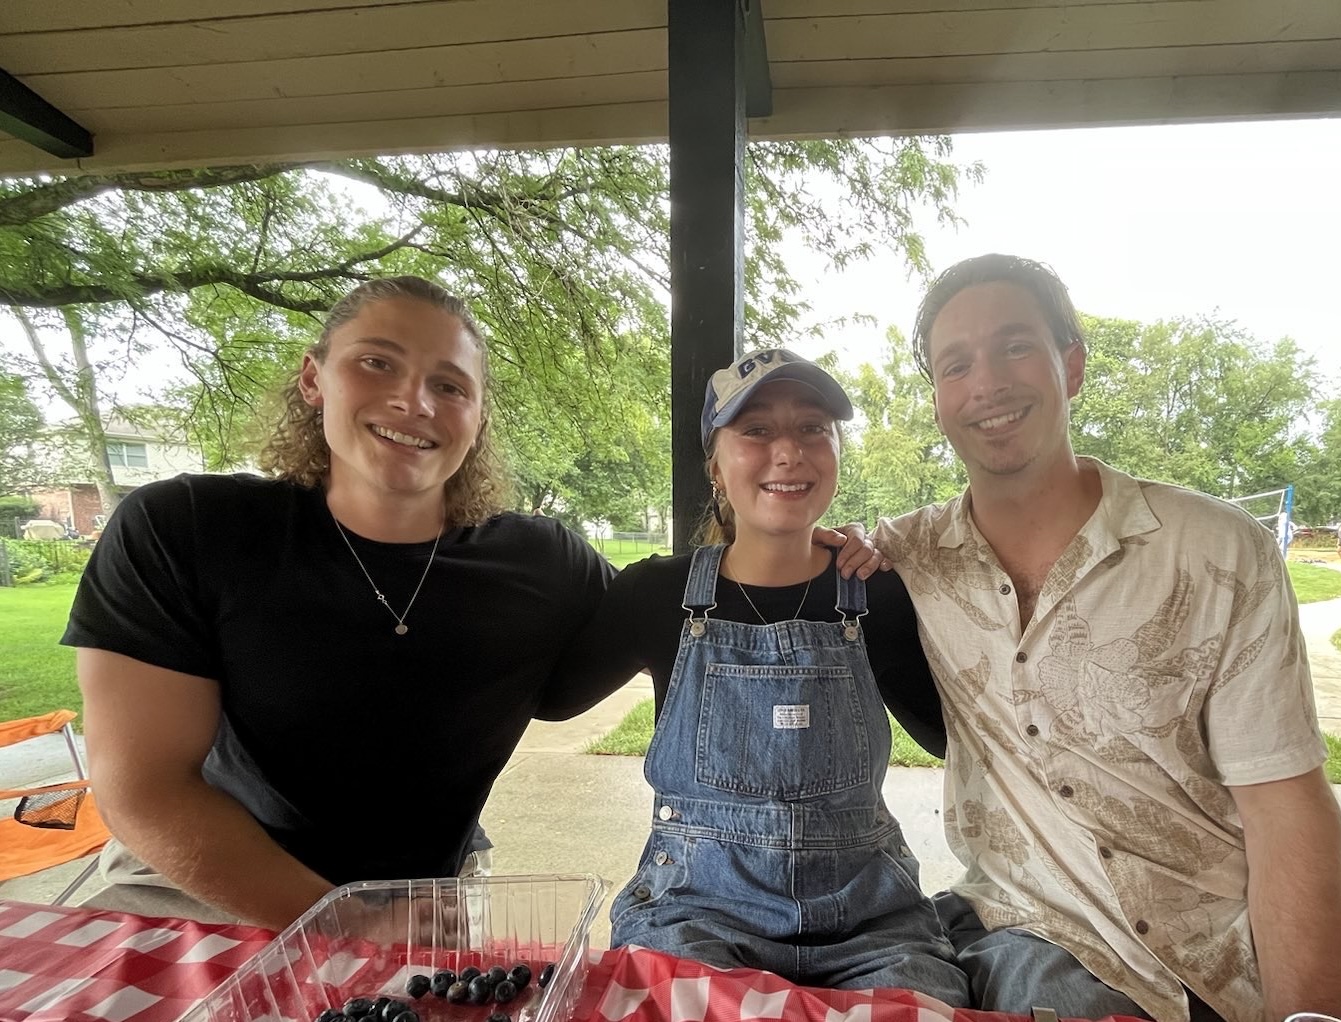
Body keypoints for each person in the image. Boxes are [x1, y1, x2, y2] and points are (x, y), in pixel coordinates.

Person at [873, 254, 1341, 1022]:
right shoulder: (900, 560)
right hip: (1041, 930)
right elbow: (760, 560)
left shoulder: (1217, 551)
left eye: (1014, 346)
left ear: (1069, 365)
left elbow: (1285, 805)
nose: (987, 383)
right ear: (937, 399)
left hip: (1238, 915)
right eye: (955, 364)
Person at [62, 277, 622, 929]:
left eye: (449, 385)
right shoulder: (183, 528)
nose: (413, 401)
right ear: (313, 379)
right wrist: (343, 922)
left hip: (417, 906)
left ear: (478, 418)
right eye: (376, 362)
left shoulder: (543, 560)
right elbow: (144, 789)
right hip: (199, 885)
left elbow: (687, 623)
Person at [557, 349, 970, 1005]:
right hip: (692, 914)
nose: (789, 451)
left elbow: (954, 737)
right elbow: (552, 697)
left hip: (870, 924)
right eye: (756, 431)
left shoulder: (879, 594)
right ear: (715, 465)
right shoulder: (653, 595)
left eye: (813, 428)